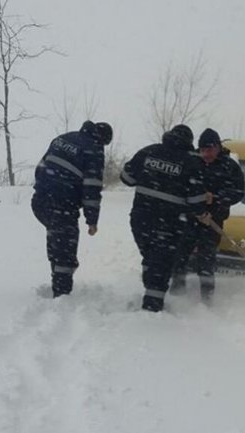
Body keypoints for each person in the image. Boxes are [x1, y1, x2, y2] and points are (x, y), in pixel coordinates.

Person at [120, 124, 209, 312]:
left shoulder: (148, 152)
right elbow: (196, 200)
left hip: (140, 219)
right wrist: (202, 213)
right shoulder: (190, 163)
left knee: (150, 256)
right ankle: (152, 309)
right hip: (170, 223)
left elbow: (126, 178)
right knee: (161, 263)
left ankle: (150, 292)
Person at [31, 120, 113, 298]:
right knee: (65, 248)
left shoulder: (63, 138)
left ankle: (59, 275)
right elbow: (92, 188)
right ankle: (61, 295)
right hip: (62, 204)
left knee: (57, 239)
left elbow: (40, 167)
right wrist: (92, 220)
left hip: (40, 201)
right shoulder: (94, 149)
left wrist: (43, 190)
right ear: (103, 140)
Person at [170, 128, 245, 305]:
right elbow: (178, 186)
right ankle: (176, 292)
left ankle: (207, 298)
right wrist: (194, 202)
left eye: (210, 149)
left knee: (206, 260)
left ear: (218, 147)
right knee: (180, 256)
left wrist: (217, 199)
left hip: (213, 221)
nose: (206, 154)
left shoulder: (229, 166)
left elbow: (238, 192)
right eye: (203, 150)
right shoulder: (191, 162)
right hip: (188, 219)